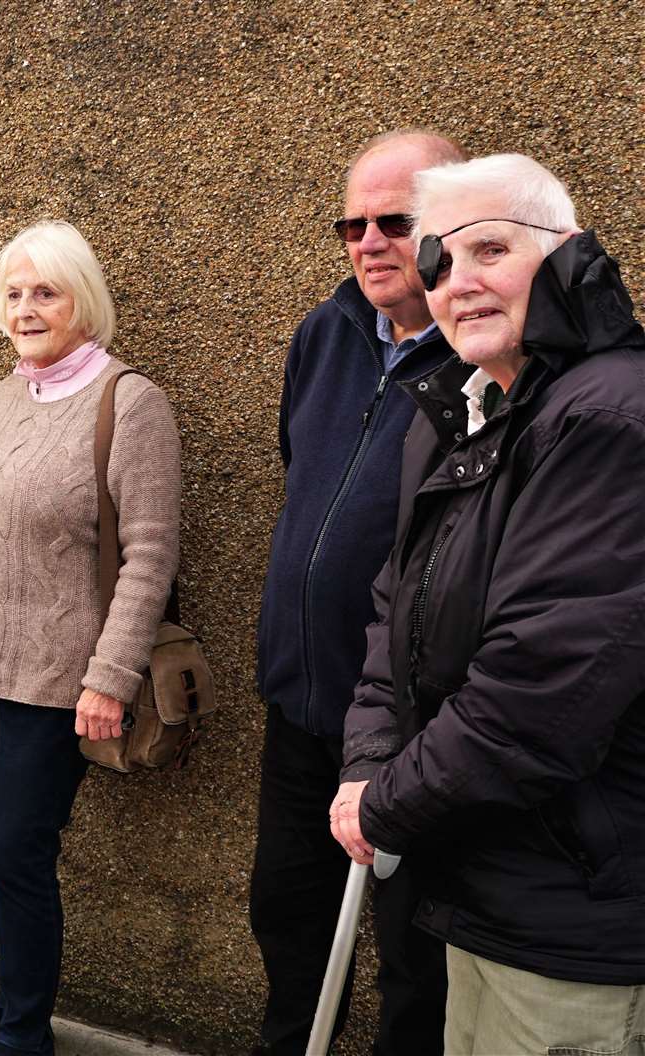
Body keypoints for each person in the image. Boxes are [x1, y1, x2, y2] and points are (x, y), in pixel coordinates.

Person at [331, 154, 645, 1053]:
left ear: (569, 254)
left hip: (572, 913)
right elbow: (397, 612)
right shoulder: (467, 415)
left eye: (491, 250)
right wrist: (368, 757)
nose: (458, 283)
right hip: (482, 884)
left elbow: (542, 690)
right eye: (441, 262)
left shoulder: (608, 420)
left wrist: (386, 802)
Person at [0, 221, 180, 1056]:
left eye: (46, 292)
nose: (26, 309)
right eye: (14, 293)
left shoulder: (128, 401)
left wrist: (110, 677)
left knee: (19, 853)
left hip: (59, 679)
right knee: (6, 855)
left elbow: (150, 554)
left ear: (83, 302)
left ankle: (25, 1033)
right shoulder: (5, 396)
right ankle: (10, 1008)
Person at [249, 129, 463, 1054]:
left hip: (415, 728)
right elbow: (305, 473)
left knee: (416, 952)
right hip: (303, 706)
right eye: (352, 223)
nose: (368, 242)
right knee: (286, 910)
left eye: (394, 221)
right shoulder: (324, 334)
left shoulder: (482, 366)